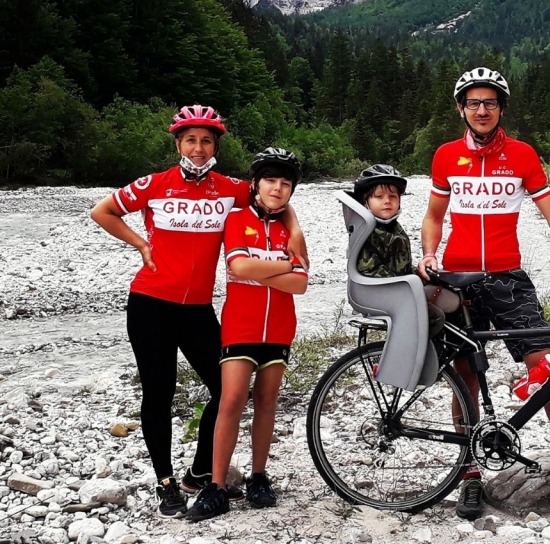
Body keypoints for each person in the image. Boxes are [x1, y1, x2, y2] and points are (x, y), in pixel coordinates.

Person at [416, 67, 550, 519]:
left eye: (490, 102)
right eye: (473, 102)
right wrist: (429, 253)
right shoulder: (446, 156)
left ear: (502, 108)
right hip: (457, 278)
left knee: (546, 367)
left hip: (509, 278)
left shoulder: (522, 155)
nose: (482, 109)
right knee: (466, 376)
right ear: (461, 108)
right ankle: (470, 472)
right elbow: (433, 216)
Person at [90, 106, 307, 518]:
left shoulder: (229, 188)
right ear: (178, 143)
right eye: (190, 139)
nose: (198, 147)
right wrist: (140, 243)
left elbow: (274, 197)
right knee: (159, 391)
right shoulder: (155, 184)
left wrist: (294, 230)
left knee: (228, 392)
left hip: (197, 309)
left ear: (216, 146)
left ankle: (198, 473)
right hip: (150, 303)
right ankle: (166, 482)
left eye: (206, 140)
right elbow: (102, 211)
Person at [184, 148, 309, 521]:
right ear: (255, 184)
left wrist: (262, 269)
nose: (278, 188)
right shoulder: (237, 219)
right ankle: (216, 486)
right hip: (241, 325)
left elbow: (301, 285)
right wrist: (285, 263)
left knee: (267, 403)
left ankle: (257, 476)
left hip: (280, 328)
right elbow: (237, 264)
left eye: (286, 183)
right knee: (232, 400)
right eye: (271, 180)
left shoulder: (290, 228)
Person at [352, 164, 445, 338]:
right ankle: (413, 357)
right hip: (381, 294)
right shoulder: (368, 233)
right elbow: (370, 271)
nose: (387, 201)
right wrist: (407, 283)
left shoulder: (394, 229)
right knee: (435, 317)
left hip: (397, 291)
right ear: (366, 202)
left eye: (393, 196)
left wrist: (418, 275)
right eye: (379, 196)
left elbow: (399, 265)